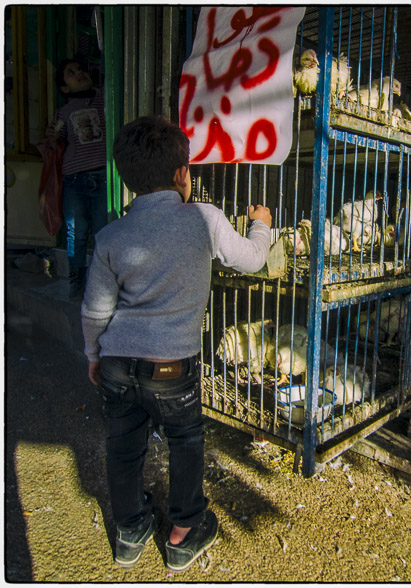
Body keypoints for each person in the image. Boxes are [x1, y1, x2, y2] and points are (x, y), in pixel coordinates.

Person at [81, 115, 274, 571]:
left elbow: (94, 311)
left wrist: (93, 355)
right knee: (185, 439)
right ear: (182, 174)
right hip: (170, 368)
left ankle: (130, 532)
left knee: (122, 446)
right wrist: (261, 223)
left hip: (116, 362)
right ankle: (184, 532)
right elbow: (251, 259)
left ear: (127, 179)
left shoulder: (110, 236)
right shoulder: (204, 219)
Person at [45, 58, 109, 299]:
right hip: (74, 179)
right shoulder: (62, 113)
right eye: (71, 73)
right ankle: (77, 282)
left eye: (81, 69)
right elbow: (55, 143)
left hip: (102, 176)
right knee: (76, 232)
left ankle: (102, 282)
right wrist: (51, 137)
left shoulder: (103, 98)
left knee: (103, 232)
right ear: (65, 88)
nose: (79, 73)